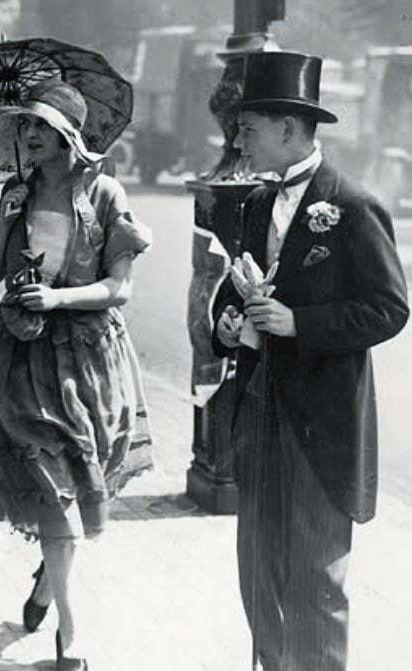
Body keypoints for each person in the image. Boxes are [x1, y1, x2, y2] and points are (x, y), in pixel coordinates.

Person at [211, 51, 409, 671]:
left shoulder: (351, 205)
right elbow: (236, 286)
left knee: (317, 579)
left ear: (288, 129)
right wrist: (226, 320)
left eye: (248, 128)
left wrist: (301, 323)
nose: (237, 141)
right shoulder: (249, 206)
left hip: (320, 426)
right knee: (258, 571)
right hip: (258, 415)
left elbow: (390, 308)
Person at [0, 79, 153, 671]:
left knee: (74, 494)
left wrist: (60, 300)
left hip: (89, 361)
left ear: (68, 134)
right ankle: (71, 635)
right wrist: (5, 221)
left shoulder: (104, 193)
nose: (30, 136)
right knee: (52, 489)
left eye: (40, 126)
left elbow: (119, 289)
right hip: (20, 359)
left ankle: (50, 578)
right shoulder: (17, 194)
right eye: (26, 127)